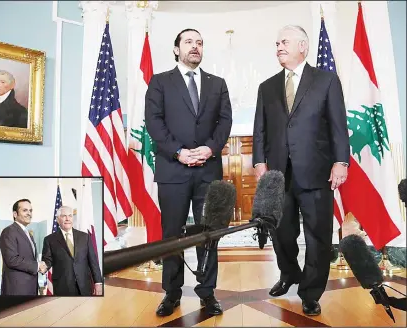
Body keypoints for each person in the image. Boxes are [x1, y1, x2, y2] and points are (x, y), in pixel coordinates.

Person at [252, 25, 350, 316]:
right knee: (281, 232)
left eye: (284, 42)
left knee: (317, 235)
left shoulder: (327, 81)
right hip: (278, 175)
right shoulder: (266, 87)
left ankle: (310, 292)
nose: (279, 46)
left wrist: (340, 161)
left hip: (317, 171)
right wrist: (259, 162)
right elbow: (260, 130)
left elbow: (337, 125)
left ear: (303, 46)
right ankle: (289, 274)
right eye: (277, 42)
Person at [145, 28, 232, 317]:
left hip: (208, 170)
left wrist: (209, 149)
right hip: (173, 169)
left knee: (209, 233)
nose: (195, 47)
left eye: (199, 43)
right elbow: (154, 123)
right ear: (176, 49)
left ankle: (207, 293)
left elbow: (224, 122)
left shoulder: (217, 83)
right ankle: (171, 293)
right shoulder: (159, 82)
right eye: (188, 42)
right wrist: (179, 152)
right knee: (172, 234)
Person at [41, 206, 103, 296]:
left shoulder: (84, 237)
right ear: (57, 219)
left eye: (70, 216)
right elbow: (47, 260)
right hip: (63, 287)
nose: (67, 219)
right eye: (64, 216)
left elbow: (93, 262)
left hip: (84, 286)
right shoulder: (49, 240)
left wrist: (98, 283)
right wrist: (41, 266)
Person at [0, 199, 46, 295]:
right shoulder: (8, 231)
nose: (29, 213)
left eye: (30, 210)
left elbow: (29, 258)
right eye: (25, 210)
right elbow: (12, 259)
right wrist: (37, 265)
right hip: (17, 289)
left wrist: (40, 266)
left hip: (30, 287)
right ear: (15, 214)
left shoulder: (28, 233)